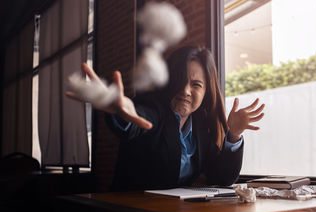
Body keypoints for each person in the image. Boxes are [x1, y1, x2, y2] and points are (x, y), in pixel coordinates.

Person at [79, 46, 264, 191]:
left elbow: (222, 177)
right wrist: (120, 110)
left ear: (206, 92)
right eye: (180, 80)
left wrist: (234, 136)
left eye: (196, 84)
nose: (185, 91)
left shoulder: (201, 125)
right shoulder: (153, 107)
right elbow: (137, 119)